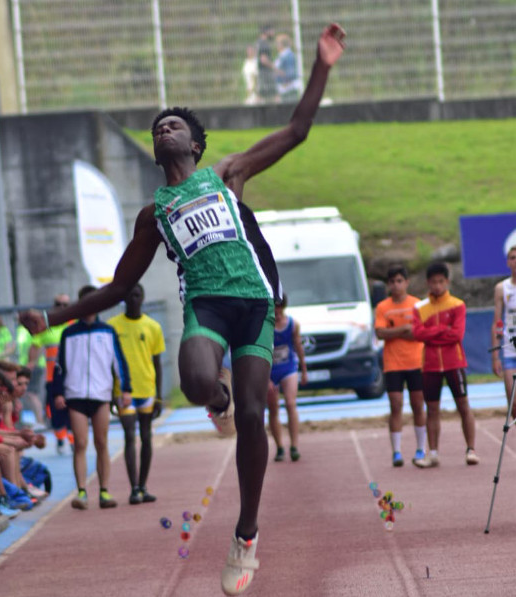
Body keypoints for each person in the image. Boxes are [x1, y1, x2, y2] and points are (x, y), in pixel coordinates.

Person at [20, 23, 345, 596]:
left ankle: (246, 534)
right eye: (156, 128)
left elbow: (297, 129)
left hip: (254, 305)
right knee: (197, 383)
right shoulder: (154, 214)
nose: (163, 129)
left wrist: (321, 65)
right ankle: (216, 397)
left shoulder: (227, 175)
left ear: (195, 145)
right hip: (208, 307)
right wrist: (52, 318)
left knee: (253, 417)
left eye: (173, 125)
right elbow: (119, 287)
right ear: (156, 151)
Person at [50, 285, 132, 511]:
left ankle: (104, 491)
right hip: (75, 394)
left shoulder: (107, 331)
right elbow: (59, 366)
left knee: (102, 442)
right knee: (81, 443)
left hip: (101, 394)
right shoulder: (69, 333)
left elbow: (119, 362)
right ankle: (82, 492)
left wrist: (126, 389)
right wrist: (58, 392)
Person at [412, 262, 479, 468]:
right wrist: (442, 329)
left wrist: (433, 334)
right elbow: (418, 334)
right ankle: (433, 453)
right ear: (428, 283)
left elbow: (456, 335)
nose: (438, 286)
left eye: (441, 282)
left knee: (463, 405)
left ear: (447, 282)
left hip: (454, 362)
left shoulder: (457, 305)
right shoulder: (420, 308)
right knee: (432, 409)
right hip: (430, 365)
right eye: (433, 282)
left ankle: (471, 449)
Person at [108, 283, 166, 505]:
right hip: (124, 392)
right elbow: (108, 363)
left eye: (137, 294)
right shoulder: (113, 326)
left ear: (143, 297)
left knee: (147, 436)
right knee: (129, 435)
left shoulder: (153, 326)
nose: (133, 299)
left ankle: (143, 485)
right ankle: (133, 488)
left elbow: (158, 363)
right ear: (124, 298)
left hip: (147, 390)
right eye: (130, 295)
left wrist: (159, 395)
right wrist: (111, 393)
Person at [374, 265, 427, 467]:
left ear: (406, 282)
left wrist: (394, 331)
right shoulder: (382, 307)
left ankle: (421, 448)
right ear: (388, 284)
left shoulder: (417, 305)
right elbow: (379, 333)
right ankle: (396, 452)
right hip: (393, 363)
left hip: (415, 361)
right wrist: (404, 329)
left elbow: (418, 333)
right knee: (395, 405)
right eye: (392, 282)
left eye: (399, 281)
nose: (396, 285)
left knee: (417, 405)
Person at [30, 293, 74, 452]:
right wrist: (30, 365)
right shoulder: (47, 326)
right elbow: (35, 346)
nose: (62, 308)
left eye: (66, 305)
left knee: (72, 409)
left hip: (71, 377)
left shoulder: (72, 324)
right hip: (51, 377)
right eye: (59, 304)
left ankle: (72, 439)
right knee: (54, 410)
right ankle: (61, 439)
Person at [266, 294, 307, 463]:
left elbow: (298, 347)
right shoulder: (265, 325)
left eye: (279, 307)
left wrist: (304, 370)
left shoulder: (292, 324)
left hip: (288, 367)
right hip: (270, 371)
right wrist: (264, 378)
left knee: (290, 403)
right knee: (273, 408)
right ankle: (280, 447)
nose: (276, 311)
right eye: (274, 307)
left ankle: (295, 446)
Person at [492, 245, 516, 416]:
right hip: (510, 350)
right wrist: (495, 356)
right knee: (513, 403)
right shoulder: (502, 288)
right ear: (508, 262)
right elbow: (498, 322)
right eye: (512, 258)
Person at [274, 34, 302, 103]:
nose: (276, 46)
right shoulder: (281, 55)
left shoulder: (289, 56)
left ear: (282, 44)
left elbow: (290, 73)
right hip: (283, 89)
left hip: (288, 88)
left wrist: (285, 83)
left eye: (278, 43)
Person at [256, 24, 277, 103]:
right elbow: (263, 59)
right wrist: (274, 67)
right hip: (266, 72)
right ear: (266, 32)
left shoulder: (259, 42)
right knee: (275, 93)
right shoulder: (263, 43)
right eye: (272, 31)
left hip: (262, 72)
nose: (273, 33)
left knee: (261, 95)